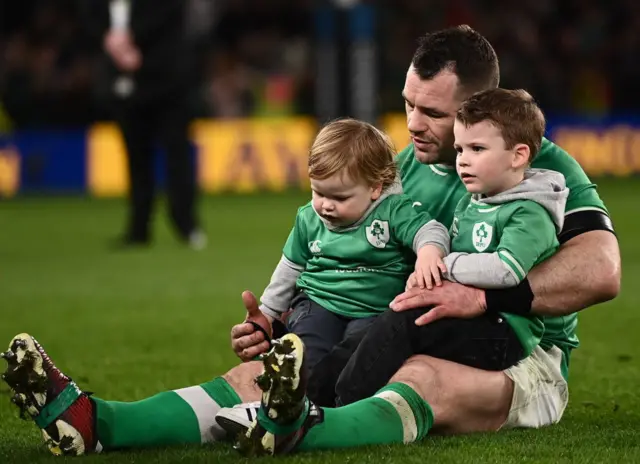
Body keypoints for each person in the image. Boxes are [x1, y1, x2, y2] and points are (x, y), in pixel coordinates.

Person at [0, 25, 619, 457]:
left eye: (433, 113)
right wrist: (280, 318)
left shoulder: (535, 164)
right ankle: (97, 421)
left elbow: (600, 271)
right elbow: (353, 257)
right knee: (266, 374)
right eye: (407, 104)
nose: (413, 124)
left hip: (521, 359)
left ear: (479, 107)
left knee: (426, 375)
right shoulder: (401, 168)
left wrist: (487, 300)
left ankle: (300, 431)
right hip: (399, 327)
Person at [257, 118, 449, 374]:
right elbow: (289, 268)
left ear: (375, 188)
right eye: (318, 193)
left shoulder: (392, 211)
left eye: (339, 197)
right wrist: (267, 314)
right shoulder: (308, 218)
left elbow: (430, 230)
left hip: (375, 311)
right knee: (307, 350)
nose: (326, 205)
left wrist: (428, 253)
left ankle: (340, 405)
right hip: (319, 302)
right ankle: (297, 393)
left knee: (359, 355)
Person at [81, 0, 205, 249]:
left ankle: (186, 224)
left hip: (167, 83)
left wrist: (127, 40)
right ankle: (138, 229)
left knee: (177, 155)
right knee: (135, 157)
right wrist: (110, 38)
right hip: (125, 85)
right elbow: (89, 15)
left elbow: (167, 15)